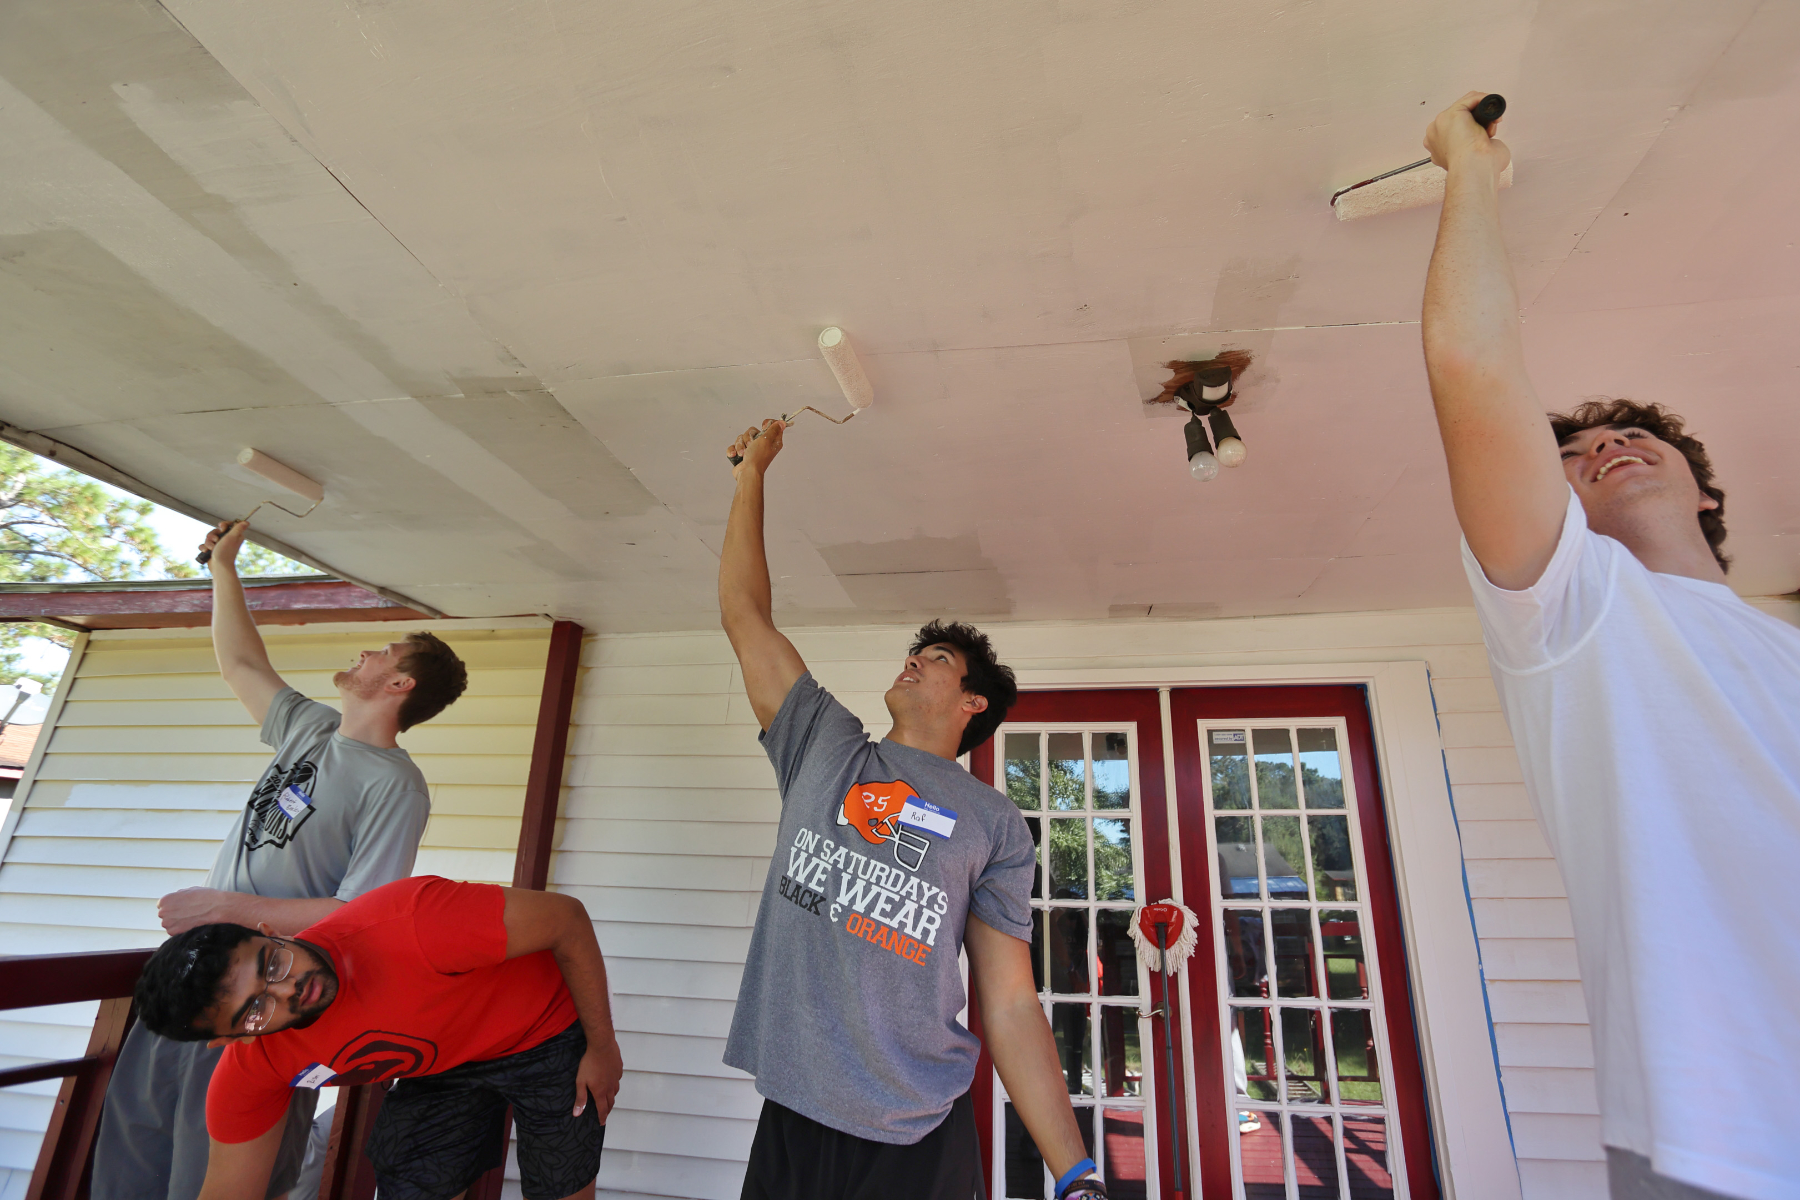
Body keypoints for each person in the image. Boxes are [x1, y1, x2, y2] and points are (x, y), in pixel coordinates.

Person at [1421, 93, 1800, 1200]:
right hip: (1726, 1137)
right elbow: (1469, 362)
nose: (1609, 443)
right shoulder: (1573, 608)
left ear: (1701, 482)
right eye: (1578, 453)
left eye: (1635, 434)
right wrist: (1466, 168)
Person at [718, 420, 1105, 1200]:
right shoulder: (824, 746)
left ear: (972, 702)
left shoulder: (994, 823)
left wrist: (1078, 1174)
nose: (914, 660)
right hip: (792, 1112)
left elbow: (1008, 999)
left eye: (937, 660)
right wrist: (751, 476)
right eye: (914, 650)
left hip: (913, 1130)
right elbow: (745, 615)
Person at [94, 519, 469, 1200]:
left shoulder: (394, 784)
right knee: (134, 1151)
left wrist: (232, 909)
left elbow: (363, 912)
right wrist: (224, 571)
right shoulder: (311, 726)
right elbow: (241, 664)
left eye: (382, 651)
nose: (365, 650)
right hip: (192, 970)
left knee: (212, 1172)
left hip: (263, 1003)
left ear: (401, 684)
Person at [129, 874, 622, 1200]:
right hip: (444, 1065)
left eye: (271, 962)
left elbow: (567, 918)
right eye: (255, 1010)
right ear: (232, 1039)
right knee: (409, 1184)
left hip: (543, 1033)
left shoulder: (413, 920)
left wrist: (602, 1048)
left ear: (266, 930)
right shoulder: (258, 1066)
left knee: (561, 1181)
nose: (288, 989)